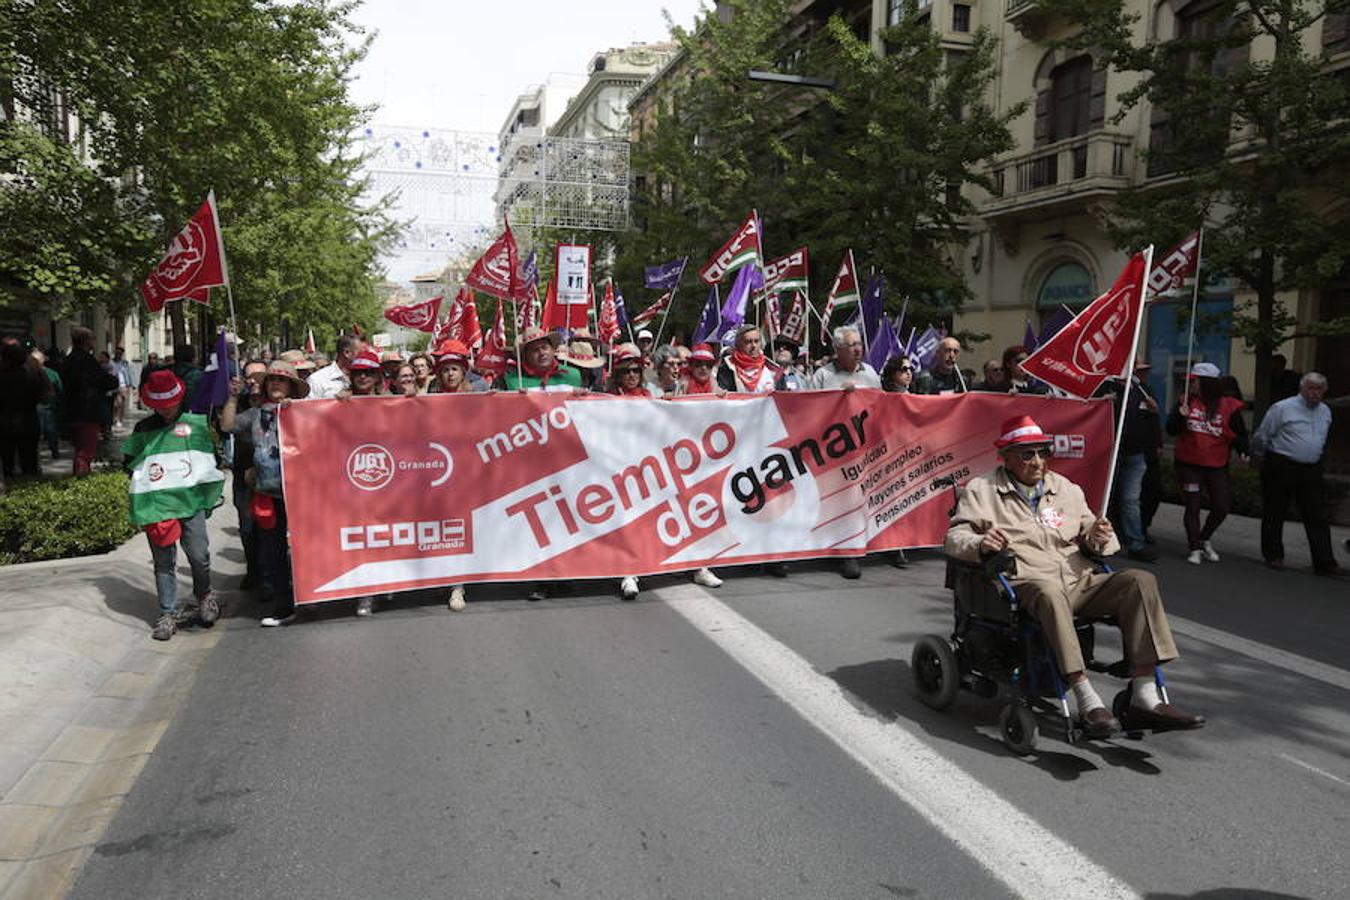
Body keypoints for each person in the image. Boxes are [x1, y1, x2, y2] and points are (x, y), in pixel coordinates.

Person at [944, 414, 1204, 736]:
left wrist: (1099, 536)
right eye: (1027, 454)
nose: (1038, 461)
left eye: (1042, 452)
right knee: (1050, 593)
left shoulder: (1065, 488)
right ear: (1006, 456)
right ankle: (1086, 695)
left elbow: (1103, 543)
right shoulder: (982, 490)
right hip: (1029, 582)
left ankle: (1145, 694)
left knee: (1140, 580)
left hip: (1077, 578)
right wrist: (981, 543)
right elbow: (955, 539)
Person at [607, 344, 722, 599]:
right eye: (626, 371)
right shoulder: (606, 400)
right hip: (624, 467)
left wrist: (669, 405)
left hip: (659, 465)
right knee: (632, 522)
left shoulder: (652, 395)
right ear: (618, 375)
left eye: (636, 369)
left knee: (685, 514)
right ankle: (629, 574)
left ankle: (698, 566)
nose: (632, 375)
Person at [121, 370, 224, 641]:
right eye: (160, 407)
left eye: (170, 405)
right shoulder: (143, 429)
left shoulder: (195, 425)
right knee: (163, 561)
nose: (166, 411)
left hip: (191, 502)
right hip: (159, 506)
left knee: (198, 554)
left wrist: (207, 491)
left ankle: (204, 595)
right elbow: (128, 464)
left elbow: (210, 460)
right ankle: (167, 612)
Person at [222, 360, 308, 625]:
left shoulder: (305, 412)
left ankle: (309, 596)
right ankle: (283, 604)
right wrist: (233, 398)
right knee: (273, 550)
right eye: (271, 380)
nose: (275, 384)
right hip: (268, 494)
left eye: (281, 380)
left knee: (306, 548)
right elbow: (227, 426)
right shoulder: (256, 414)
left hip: (302, 495)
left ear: (291, 386)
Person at [1251, 372, 1339, 575]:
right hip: (1282, 463)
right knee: (1275, 510)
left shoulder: (1325, 411)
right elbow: (1262, 435)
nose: (1314, 393)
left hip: (1311, 467)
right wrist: (1259, 456)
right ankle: (1274, 554)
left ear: (1324, 391)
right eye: (1311, 388)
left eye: (1319, 389)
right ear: (1302, 388)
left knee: (1316, 514)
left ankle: (1324, 561)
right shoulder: (1283, 408)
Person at [1167, 362, 1249, 565]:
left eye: (1194, 381)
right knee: (1192, 505)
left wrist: (1243, 450)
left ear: (1205, 383)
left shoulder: (1228, 406)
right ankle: (1194, 547)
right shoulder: (1184, 401)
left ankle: (1204, 538)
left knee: (1221, 506)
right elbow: (1171, 430)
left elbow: (1239, 432)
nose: (1190, 385)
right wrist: (1180, 415)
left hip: (1216, 465)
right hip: (1189, 464)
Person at [338, 346, 387, 616]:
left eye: (368, 373)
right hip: (353, 485)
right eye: (358, 373)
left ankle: (385, 585)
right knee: (361, 539)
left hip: (389, 484)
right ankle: (364, 593)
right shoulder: (338, 404)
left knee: (385, 538)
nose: (363, 378)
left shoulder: (395, 402)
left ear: (378, 376)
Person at [1104, 366, 1162, 563]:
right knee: (1106, 498)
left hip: (1136, 454)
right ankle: (1103, 539)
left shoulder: (1141, 390)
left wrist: (1154, 411)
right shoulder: (1106, 387)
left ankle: (1136, 543)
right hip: (1110, 454)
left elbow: (1153, 420)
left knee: (1130, 499)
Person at [62, 327, 119, 474]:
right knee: (86, 451)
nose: (94, 342)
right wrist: (111, 379)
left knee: (80, 449)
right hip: (87, 411)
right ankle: (82, 479)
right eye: (92, 339)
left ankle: (79, 477)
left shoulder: (68, 360)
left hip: (71, 410)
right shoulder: (86, 361)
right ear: (87, 342)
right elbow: (105, 381)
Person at [0, 341, 50, 478]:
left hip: (5, 423)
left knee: (7, 463)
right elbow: (44, 397)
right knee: (29, 462)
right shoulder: (31, 376)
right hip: (28, 422)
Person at [502, 327, 582, 391]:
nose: (542, 353)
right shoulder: (511, 381)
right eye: (535, 350)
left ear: (553, 349)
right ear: (525, 355)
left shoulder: (573, 375)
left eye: (545, 347)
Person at [716, 325, 789, 393]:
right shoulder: (728, 368)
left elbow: (783, 399)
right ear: (738, 344)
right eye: (748, 342)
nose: (753, 346)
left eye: (756, 341)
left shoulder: (774, 370)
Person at [807, 326, 881, 391]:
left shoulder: (870, 373)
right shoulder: (822, 376)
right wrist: (840, 393)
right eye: (853, 345)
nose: (858, 349)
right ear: (838, 349)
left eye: (860, 344)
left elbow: (879, 402)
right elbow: (811, 404)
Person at [307, 334, 361, 399]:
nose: (367, 357)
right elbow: (309, 407)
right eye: (362, 353)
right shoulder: (317, 380)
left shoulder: (368, 379)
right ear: (347, 353)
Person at [35, 350, 63, 458]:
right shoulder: (52, 373)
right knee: (50, 429)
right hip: (48, 405)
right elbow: (60, 389)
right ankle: (54, 451)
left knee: (41, 431)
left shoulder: (28, 372)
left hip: (39, 405)